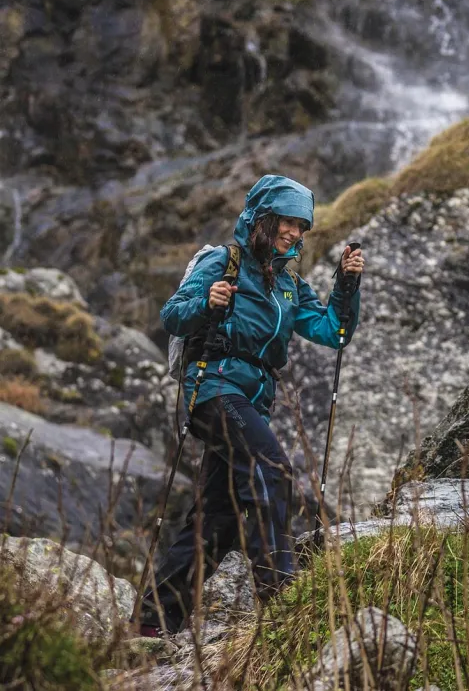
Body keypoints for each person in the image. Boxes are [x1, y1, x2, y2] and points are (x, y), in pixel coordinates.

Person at [139, 175, 364, 635]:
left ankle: (150, 624)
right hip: (214, 388)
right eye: (287, 222)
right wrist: (208, 301)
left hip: (252, 403)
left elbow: (333, 332)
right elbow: (172, 316)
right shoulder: (223, 262)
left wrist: (346, 284)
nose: (295, 233)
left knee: (216, 521)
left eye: (302, 227)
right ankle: (280, 592)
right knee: (272, 469)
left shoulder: (289, 284)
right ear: (263, 218)